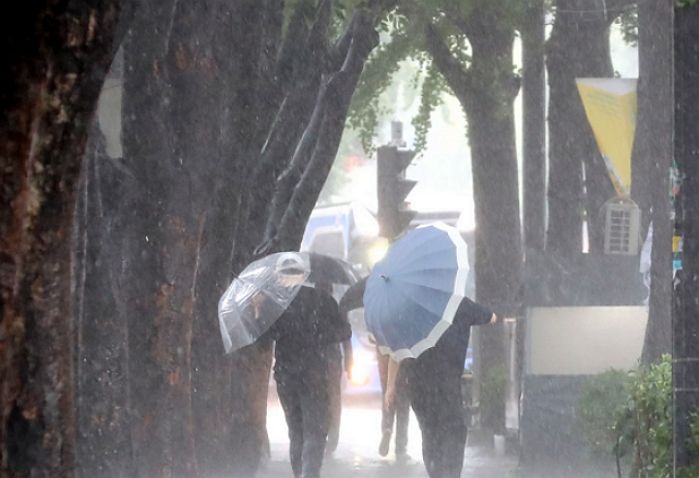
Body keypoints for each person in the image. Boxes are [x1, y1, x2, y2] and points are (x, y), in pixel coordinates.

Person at [386, 297, 497, 478]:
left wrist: (390, 385)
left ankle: (436, 471)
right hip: (448, 385)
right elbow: (490, 317)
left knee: (430, 433)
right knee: (454, 432)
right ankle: (448, 473)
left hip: (419, 385)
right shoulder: (459, 304)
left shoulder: (410, 307)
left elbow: (396, 349)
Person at [265, 270, 351, 478]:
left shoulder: (277, 305)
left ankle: (300, 473)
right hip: (315, 374)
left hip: (287, 376)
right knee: (316, 429)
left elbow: (266, 339)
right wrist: (321, 335)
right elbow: (345, 331)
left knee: (296, 431)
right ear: (303, 276)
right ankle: (309, 473)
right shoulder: (323, 300)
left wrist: (260, 313)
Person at [376, 348, 410, 458]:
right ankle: (400, 446)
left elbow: (372, 337)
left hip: (385, 357)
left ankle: (387, 427)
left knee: (387, 397)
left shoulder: (383, 332)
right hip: (404, 357)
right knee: (403, 405)